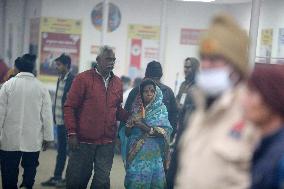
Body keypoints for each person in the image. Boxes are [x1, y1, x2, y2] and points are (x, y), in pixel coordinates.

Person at [175, 13, 259, 189]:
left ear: (236, 66)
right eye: (204, 58)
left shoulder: (252, 114)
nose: (206, 65)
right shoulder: (200, 112)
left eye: (214, 59)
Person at [64, 45, 129, 189]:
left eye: (113, 59)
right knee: (77, 180)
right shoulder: (82, 79)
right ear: (98, 59)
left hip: (107, 142)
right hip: (83, 142)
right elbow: (69, 107)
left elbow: (116, 110)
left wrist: (131, 117)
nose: (111, 62)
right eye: (108, 59)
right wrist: (72, 133)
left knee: (102, 181)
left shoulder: (118, 82)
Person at [0, 53, 54, 189]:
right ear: (32, 69)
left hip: (9, 138)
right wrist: (48, 137)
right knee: (30, 167)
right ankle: (27, 185)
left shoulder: (7, 86)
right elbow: (47, 115)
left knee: (9, 170)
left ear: (17, 68)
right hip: (33, 139)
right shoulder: (42, 88)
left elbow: (1, 114)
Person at [120, 79, 172, 188]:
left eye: (152, 91)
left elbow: (165, 132)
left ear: (156, 93)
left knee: (153, 183)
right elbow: (127, 133)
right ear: (141, 93)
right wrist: (129, 125)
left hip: (153, 154)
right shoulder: (136, 109)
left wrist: (144, 127)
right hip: (136, 154)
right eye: (146, 91)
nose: (149, 93)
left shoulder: (161, 110)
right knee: (135, 182)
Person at [243, 63, 284, 189]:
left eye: (252, 93)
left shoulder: (280, 159)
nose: (244, 101)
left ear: (272, 98)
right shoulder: (262, 145)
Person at [41, 54, 75, 187]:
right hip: (60, 122)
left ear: (66, 65)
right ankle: (56, 177)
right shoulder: (59, 79)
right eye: (57, 64)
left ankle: (69, 179)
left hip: (69, 124)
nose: (56, 67)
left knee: (71, 153)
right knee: (60, 152)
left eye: (59, 64)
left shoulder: (73, 80)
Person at [166, 57, 200, 189]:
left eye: (189, 67)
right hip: (179, 130)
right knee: (172, 169)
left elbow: (196, 109)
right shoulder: (183, 85)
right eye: (185, 67)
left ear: (195, 68)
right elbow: (177, 103)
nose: (186, 69)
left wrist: (182, 107)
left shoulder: (199, 87)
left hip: (191, 133)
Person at [122, 61, 178, 139]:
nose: (154, 83)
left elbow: (173, 116)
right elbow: (125, 116)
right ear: (146, 77)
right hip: (137, 143)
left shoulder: (167, 92)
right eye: (152, 79)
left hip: (159, 142)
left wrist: (170, 136)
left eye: (157, 80)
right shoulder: (136, 91)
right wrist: (120, 136)